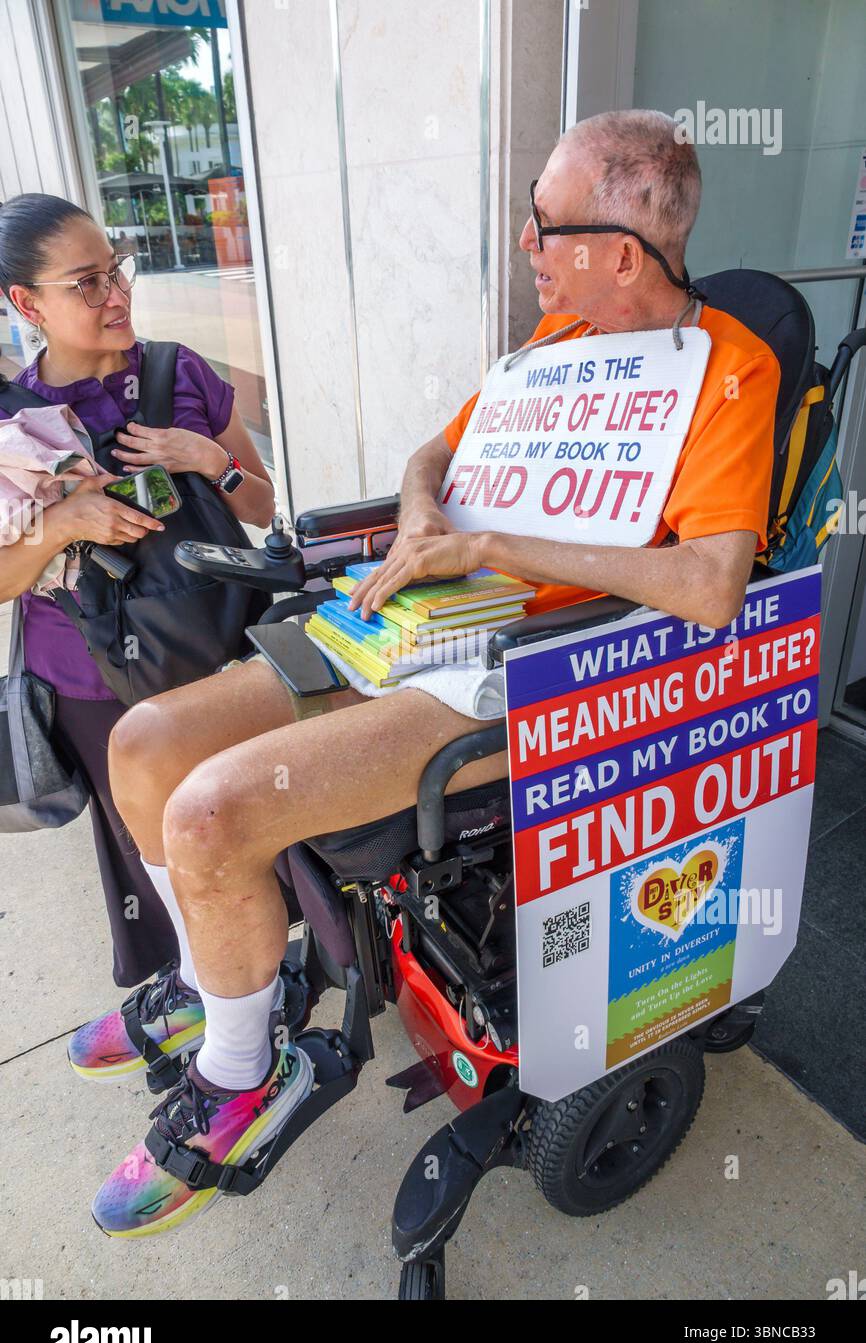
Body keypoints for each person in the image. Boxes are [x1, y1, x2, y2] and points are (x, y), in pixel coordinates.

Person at [69, 110, 781, 1237]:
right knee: (143, 745)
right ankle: (222, 995)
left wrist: (487, 550)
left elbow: (705, 585)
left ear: (619, 253)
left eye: (542, 225)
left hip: (529, 673)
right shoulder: (549, 349)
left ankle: (245, 1068)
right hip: (421, 620)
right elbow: (430, 455)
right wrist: (417, 524)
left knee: (210, 813)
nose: (527, 245)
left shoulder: (726, 373)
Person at [0, 194, 276, 987]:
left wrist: (205, 459)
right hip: (88, 678)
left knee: (237, 830)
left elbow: (262, 504)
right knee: (145, 847)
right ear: (28, 304)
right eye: (85, 283)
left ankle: (254, 987)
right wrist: (62, 524)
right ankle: (190, 990)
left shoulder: (176, 370)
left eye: (116, 271)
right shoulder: (15, 425)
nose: (116, 296)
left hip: (214, 657)